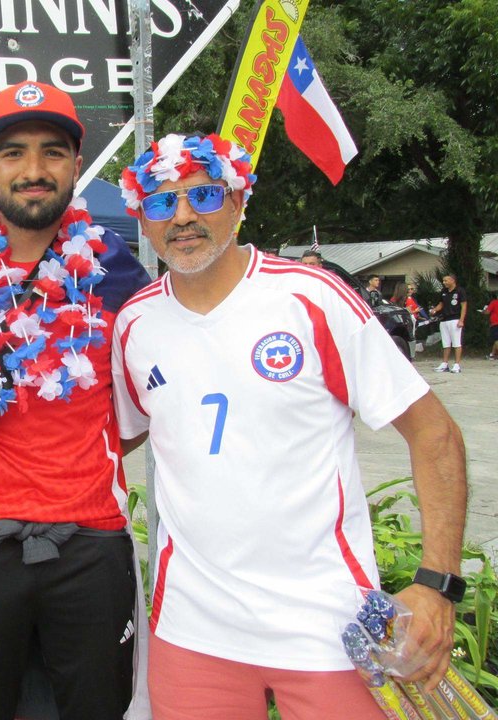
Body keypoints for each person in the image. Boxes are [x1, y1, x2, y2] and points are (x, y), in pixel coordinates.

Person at [113, 133, 467, 720]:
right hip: (194, 633)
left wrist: (437, 584)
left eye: (203, 194)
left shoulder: (310, 297)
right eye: (159, 201)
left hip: (329, 630)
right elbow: (117, 436)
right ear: (142, 220)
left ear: (239, 200)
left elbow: (435, 434)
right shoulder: (134, 323)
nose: (182, 216)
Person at [0, 80, 151, 720]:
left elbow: (138, 408)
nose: (34, 170)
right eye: (13, 152)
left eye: (52, 152)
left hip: (91, 544)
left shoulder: (116, 268)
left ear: (77, 164)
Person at [429, 274, 467, 373]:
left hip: (455, 319)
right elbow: (441, 304)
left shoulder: (460, 291)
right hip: (444, 319)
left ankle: (457, 364)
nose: (444, 282)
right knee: (446, 343)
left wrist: (461, 320)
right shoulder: (444, 291)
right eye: (443, 281)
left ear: (452, 280)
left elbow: (464, 306)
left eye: (446, 280)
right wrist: (434, 310)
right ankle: (445, 364)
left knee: (456, 342)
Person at [481, 293, 498, 359]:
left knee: (496, 340)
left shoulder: (494, 302)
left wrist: (483, 312)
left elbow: (487, 312)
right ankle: (492, 354)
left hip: (495, 324)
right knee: (496, 340)